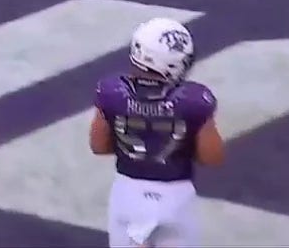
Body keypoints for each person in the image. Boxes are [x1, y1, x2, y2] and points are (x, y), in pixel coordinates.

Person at [90, 18, 224, 248]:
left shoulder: (111, 92)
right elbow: (212, 157)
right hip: (175, 198)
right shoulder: (195, 101)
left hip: (128, 194)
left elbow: (99, 146)